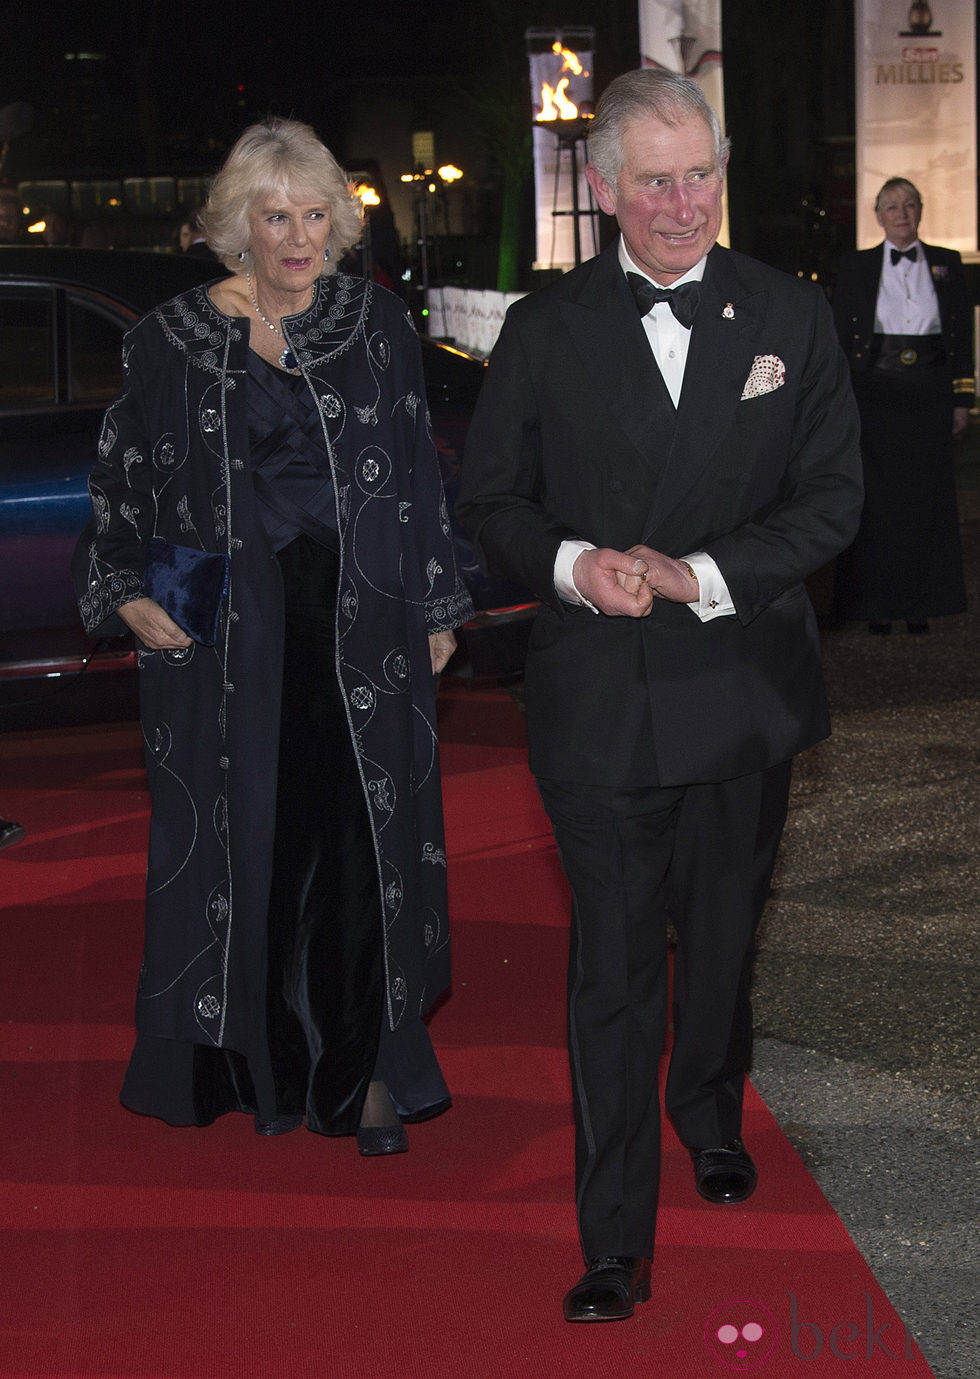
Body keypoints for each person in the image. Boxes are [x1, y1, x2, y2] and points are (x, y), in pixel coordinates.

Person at [457, 68, 863, 1322]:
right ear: (602, 189)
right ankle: (614, 1237)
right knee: (617, 964)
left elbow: (831, 501)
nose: (684, 204)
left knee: (724, 934)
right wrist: (579, 568)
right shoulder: (543, 327)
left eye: (701, 175)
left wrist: (701, 574)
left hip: (739, 685)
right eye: (655, 181)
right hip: (598, 702)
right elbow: (493, 504)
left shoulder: (788, 316)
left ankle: (708, 1107)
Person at [73, 117, 472, 1155]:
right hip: (224, 641)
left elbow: (419, 473)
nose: (296, 236)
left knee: (355, 848)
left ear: (337, 222)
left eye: (314, 214)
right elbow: (126, 476)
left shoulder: (375, 326)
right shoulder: (166, 336)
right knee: (242, 848)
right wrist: (126, 589)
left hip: (360, 631)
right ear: (235, 224)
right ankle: (254, 1065)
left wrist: (434, 604)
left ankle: (368, 1073)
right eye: (273, 214)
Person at [832, 177, 972, 634]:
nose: (902, 214)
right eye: (892, 206)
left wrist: (961, 399)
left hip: (929, 394)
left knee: (926, 503)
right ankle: (876, 605)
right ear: (878, 215)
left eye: (910, 205)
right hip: (875, 394)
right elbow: (838, 341)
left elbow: (961, 340)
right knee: (875, 503)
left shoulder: (949, 264)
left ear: (921, 210)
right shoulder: (855, 267)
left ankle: (922, 602)